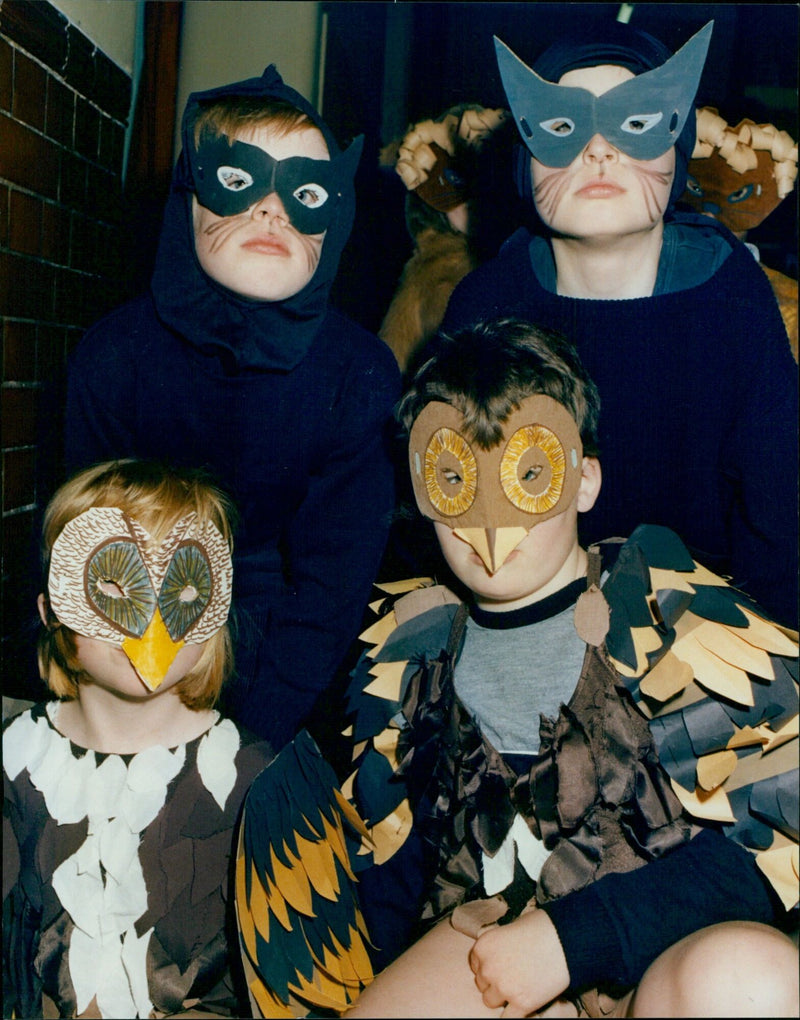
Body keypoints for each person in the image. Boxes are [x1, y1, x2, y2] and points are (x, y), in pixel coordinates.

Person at [341, 319, 799, 1018]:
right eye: (457, 478)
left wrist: (574, 939)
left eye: (526, 474)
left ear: (584, 481)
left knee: (750, 979)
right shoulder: (413, 652)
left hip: (669, 951)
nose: (488, 521)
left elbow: (788, 823)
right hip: (489, 954)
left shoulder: (662, 605)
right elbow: (389, 879)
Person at [63, 66, 401, 749]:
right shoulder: (113, 358)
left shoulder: (356, 374)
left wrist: (249, 743)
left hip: (285, 665)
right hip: (130, 640)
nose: (272, 211)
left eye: (304, 193)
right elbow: (87, 558)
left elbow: (330, 588)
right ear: (189, 199)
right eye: (241, 181)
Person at [439, 21, 799, 628]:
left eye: (635, 125)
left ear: (677, 154)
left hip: (706, 629)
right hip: (526, 617)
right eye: (562, 127)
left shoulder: (730, 296)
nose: (599, 150)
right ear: (524, 165)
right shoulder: (485, 304)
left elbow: (780, 514)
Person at [3, 459, 274, 1019]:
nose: (150, 616)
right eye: (113, 583)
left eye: (183, 583)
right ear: (51, 610)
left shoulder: (259, 782)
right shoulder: (14, 761)